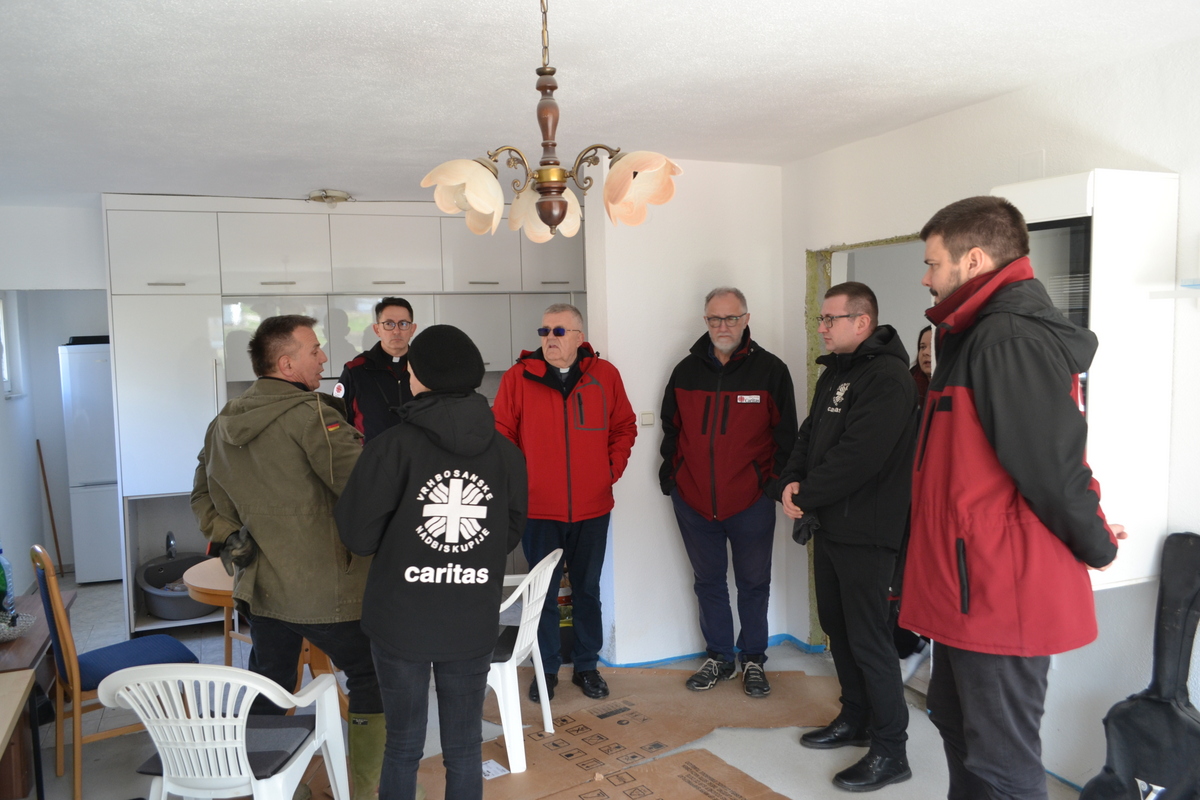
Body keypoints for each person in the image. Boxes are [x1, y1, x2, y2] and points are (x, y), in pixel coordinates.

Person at [903, 195, 1125, 800]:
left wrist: (1098, 543)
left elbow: (1052, 467)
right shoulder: (972, 334)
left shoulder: (1008, 339)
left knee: (1003, 762)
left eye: (933, 263)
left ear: (974, 260)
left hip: (998, 589)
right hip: (966, 583)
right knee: (955, 723)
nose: (925, 277)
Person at [190, 314, 385, 799]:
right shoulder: (314, 416)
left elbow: (202, 497)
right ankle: (372, 790)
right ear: (286, 363)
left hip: (262, 588)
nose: (323, 357)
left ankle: (265, 786)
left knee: (270, 683)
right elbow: (365, 490)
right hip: (329, 590)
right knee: (372, 674)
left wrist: (228, 535)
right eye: (314, 350)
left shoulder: (223, 422)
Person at [336, 325, 527, 800]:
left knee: (402, 747)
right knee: (464, 749)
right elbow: (507, 535)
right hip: (471, 617)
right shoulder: (507, 453)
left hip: (400, 621)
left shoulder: (390, 447)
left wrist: (408, 545)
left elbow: (358, 537)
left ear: (416, 376)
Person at [774, 281, 919, 792]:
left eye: (829, 319)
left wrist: (808, 493)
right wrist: (790, 482)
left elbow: (860, 455)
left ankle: (891, 749)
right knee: (838, 627)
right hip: (831, 526)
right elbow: (809, 436)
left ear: (862, 322)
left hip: (869, 532)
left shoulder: (889, 379)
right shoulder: (835, 372)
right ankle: (855, 717)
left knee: (869, 639)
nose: (821, 327)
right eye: (821, 319)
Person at [493, 303, 637, 702]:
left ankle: (587, 667)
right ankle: (546, 671)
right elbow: (501, 435)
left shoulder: (605, 376)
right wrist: (523, 483)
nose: (549, 338)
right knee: (543, 596)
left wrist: (609, 470)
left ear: (578, 337)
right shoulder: (518, 378)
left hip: (593, 508)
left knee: (588, 590)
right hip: (539, 510)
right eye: (544, 331)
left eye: (559, 331)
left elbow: (624, 427)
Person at [659, 287, 797, 698]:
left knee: (754, 583)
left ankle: (753, 659)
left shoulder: (771, 371)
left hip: (751, 502)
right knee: (708, 583)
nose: (723, 326)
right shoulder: (685, 371)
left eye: (731, 318)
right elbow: (671, 429)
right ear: (705, 321)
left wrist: (771, 486)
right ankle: (719, 657)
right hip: (694, 501)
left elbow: (787, 437)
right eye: (715, 319)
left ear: (746, 319)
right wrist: (673, 478)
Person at [894, 325, 933, 682]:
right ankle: (911, 644)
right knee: (903, 575)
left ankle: (924, 642)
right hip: (905, 496)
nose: (926, 352)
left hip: (936, 499)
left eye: (932, 346)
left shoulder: (952, 390)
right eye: (922, 346)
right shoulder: (905, 387)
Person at [334, 297, 418, 442]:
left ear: (412, 329)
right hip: (371, 453)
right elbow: (336, 420)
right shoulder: (356, 370)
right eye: (389, 324)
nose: (396, 331)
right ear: (377, 329)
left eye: (403, 324)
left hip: (417, 453)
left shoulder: (424, 368)